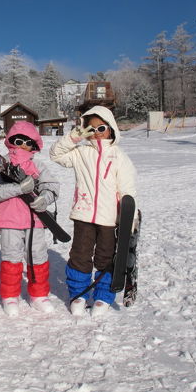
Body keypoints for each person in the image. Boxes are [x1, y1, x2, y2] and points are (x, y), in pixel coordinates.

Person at [50, 106, 137, 318]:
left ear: (111, 129)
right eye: (92, 128)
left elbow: (127, 190)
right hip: (83, 214)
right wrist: (76, 136)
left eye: (102, 127)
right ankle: (78, 294)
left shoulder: (119, 157)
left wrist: (130, 220)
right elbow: (55, 154)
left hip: (109, 218)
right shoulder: (81, 153)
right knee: (80, 256)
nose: (97, 132)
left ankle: (103, 296)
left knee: (106, 257)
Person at [0, 121, 60, 317]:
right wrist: (18, 189)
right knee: (11, 257)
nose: (22, 145)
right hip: (9, 218)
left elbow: (52, 186)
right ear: (10, 141)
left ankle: (39, 295)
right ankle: (10, 296)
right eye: (18, 140)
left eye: (27, 142)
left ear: (34, 145)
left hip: (34, 218)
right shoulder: (1, 163)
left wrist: (44, 199)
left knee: (37, 256)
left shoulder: (37, 165)